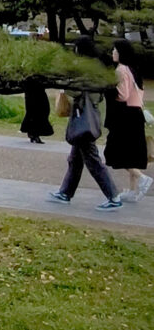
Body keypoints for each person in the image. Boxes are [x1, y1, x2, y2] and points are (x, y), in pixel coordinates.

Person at [48, 36, 123, 210]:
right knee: (76, 157)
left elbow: (76, 92)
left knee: (91, 158)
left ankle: (113, 196)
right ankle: (66, 192)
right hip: (89, 114)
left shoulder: (85, 70)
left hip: (83, 115)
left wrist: (63, 85)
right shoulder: (98, 68)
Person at [104, 39, 153, 202]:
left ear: (121, 53)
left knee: (117, 151)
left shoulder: (121, 70)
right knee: (132, 152)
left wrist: (108, 88)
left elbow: (122, 95)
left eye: (115, 50)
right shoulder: (134, 70)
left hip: (124, 116)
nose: (113, 52)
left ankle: (142, 178)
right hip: (136, 114)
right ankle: (132, 190)